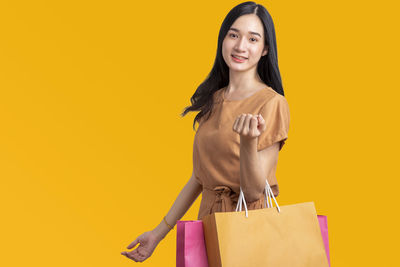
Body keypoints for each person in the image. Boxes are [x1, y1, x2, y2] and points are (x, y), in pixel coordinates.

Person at [121, 1, 290, 263]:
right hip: (209, 224)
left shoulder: (271, 103)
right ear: (223, 38)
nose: (240, 46)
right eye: (233, 35)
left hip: (249, 228)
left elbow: (255, 191)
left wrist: (248, 143)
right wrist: (158, 233)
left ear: (265, 49)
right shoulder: (213, 99)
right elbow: (199, 178)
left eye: (253, 39)